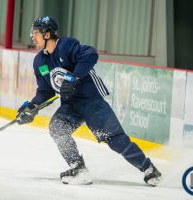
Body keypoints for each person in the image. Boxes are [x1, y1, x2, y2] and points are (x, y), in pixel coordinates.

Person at [16, 16, 162, 186]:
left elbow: (91, 54)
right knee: (57, 128)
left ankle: (149, 169)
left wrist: (74, 77)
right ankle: (78, 168)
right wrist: (32, 106)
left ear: (47, 34)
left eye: (35, 33)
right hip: (71, 105)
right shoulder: (40, 61)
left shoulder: (66, 46)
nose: (32, 37)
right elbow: (45, 90)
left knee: (114, 139)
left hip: (91, 101)